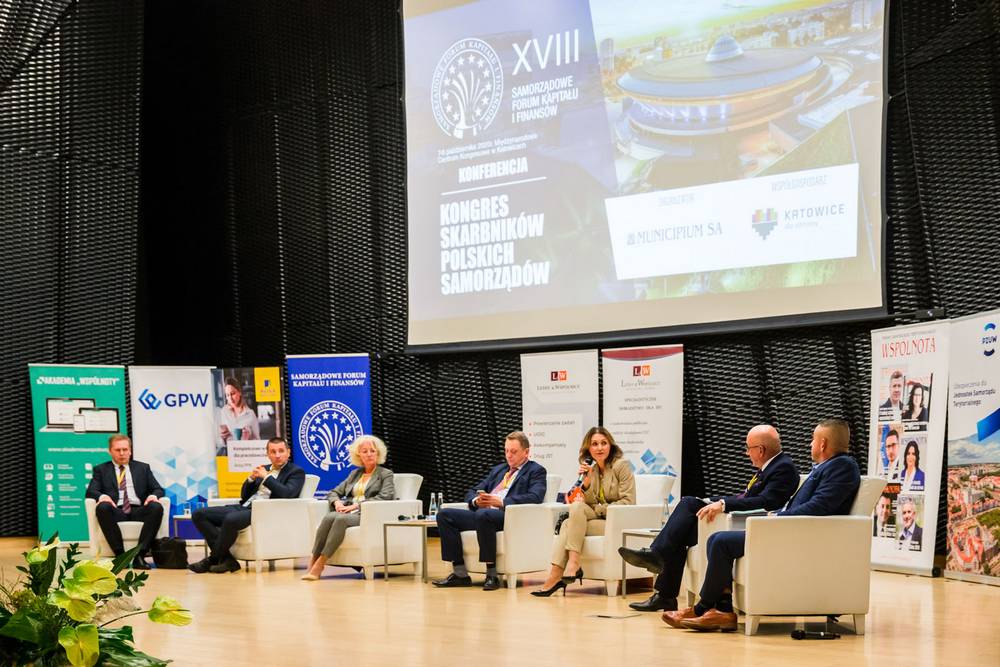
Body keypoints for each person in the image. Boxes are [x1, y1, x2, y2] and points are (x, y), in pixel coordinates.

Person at [664, 418, 861, 632]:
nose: (810, 444)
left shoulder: (842, 466)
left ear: (822, 444)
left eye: (813, 440)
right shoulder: (828, 467)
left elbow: (819, 506)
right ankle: (721, 612)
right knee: (717, 540)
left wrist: (777, 517)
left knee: (720, 541)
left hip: (797, 534)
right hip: (790, 529)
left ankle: (703, 609)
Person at [619, 424, 798, 612]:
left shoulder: (783, 468)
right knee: (681, 528)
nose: (746, 453)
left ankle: (659, 565)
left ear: (760, 450)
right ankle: (664, 593)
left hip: (748, 525)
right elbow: (746, 497)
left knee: (687, 506)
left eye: (748, 448)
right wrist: (712, 501)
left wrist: (723, 505)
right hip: (737, 519)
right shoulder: (771, 467)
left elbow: (767, 502)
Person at [432, 431, 547, 591]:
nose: (509, 455)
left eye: (513, 451)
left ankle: (492, 574)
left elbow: (535, 496)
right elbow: (473, 490)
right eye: (506, 450)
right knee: (444, 515)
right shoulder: (499, 470)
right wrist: (476, 500)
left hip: (508, 516)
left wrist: (501, 502)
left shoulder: (536, 471)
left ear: (526, 452)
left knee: (484, 515)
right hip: (484, 514)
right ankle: (460, 573)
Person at [532, 427, 635, 597]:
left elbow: (628, 502)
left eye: (604, 443)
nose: (599, 448)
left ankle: (557, 574)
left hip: (617, 523)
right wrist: (586, 484)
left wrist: (599, 509)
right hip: (600, 518)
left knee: (568, 524)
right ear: (588, 448)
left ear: (610, 445)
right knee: (574, 510)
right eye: (594, 444)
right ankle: (571, 565)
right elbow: (589, 504)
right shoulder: (592, 470)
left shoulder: (621, 466)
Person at [189, 437, 305, 574]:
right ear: (268, 454)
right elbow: (244, 496)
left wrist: (266, 478)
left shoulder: (295, 472)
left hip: (264, 511)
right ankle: (227, 560)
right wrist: (251, 479)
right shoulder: (264, 468)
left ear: (288, 452)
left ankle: (212, 559)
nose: (277, 455)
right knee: (199, 514)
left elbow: (287, 493)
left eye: (281, 451)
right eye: (273, 452)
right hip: (245, 507)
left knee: (231, 519)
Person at [302, 435, 394, 581]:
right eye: (365, 451)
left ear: (378, 453)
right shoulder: (355, 474)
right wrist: (337, 503)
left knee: (340, 520)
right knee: (329, 517)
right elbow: (334, 492)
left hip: (367, 514)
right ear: (359, 455)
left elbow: (386, 496)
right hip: (350, 512)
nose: (369, 454)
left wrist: (356, 505)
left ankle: (320, 564)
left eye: (372, 451)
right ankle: (313, 559)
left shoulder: (385, 474)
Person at [85, 434, 165, 570]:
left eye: (125, 449)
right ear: (110, 451)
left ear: (130, 451)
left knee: (156, 507)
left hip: (139, 509)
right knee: (102, 507)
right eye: (118, 450)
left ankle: (140, 555)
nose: (122, 453)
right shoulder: (101, 470)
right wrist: (102, 496)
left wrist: (153, 496)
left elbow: (158, 489)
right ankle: (121, 556)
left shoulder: (143, 468)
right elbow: (91, 491)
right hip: (116, 510)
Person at [218, 376, 260, 444]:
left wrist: (248, 439)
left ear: (239, 392)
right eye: (227, 395)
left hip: (245, 450)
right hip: (229, 449)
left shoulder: (250, 414)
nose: (230, 398)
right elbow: (219, 441)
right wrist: (222, 438)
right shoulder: (224, 412)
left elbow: (257, 440)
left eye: (232, 394)